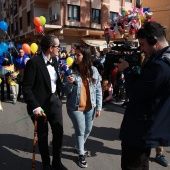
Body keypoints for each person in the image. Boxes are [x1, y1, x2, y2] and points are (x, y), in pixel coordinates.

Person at [118, 21, 170, 170]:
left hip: (141, 130)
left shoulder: (161, 66)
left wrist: (127, 71)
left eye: (142, 44)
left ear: (154, 41)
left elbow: (136, 93)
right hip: (145, 127)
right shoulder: (160, 61)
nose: (141, 49)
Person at [22, 35, 67, 170]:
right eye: (58, 46)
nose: (60, 49)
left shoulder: (54, 60)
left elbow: (54, 81)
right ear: (50, 48)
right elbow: (26, 88)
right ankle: (46, 163)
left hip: (54, 101)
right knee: (43, 135)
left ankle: (57, 162)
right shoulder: (34, 62)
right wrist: (35, 106)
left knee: (58, 132)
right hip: (39, 105)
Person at [63, 45, 102, 168]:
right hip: (75, 107)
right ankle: (81, 154)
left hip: (90, 107)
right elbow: (65, 92)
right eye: (75, 54)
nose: (75, 57)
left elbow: (98, 90)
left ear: (85, 56)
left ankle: (78, 146)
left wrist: (99, 107)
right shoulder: (71, 71)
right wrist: (69, 84)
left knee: (88, 130)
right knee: (80, 131)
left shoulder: (94, 70)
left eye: (78, 55)